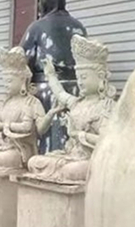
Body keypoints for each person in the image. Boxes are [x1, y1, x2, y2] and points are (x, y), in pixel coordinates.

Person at [27, 35, 116, 183]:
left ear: (100, 76)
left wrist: (77, 134)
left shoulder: (106, 106)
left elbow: (106, 140)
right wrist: (50, 75)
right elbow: (60, 93)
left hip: (90, 159)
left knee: (69, 171)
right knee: (34, 162)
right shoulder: (77, 103)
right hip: (70, 155)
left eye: (84, 77)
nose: (80, 82)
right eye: (78, 77)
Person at [0, 46, 63, 171]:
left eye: (9, 81)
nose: (6, 85)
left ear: (22, 80)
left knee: (2, 158)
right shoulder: (7, 102)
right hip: (6, 146)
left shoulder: (32, 102)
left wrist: (50, 114)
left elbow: (38, 129)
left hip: (21, 149)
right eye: (4, 81)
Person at [20, 0, 87, 153]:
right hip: (78, 89)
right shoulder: (79, 27)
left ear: (44, 5)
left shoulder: (36, 27)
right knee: (73, 138)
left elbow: (22, 60)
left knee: (49, 140)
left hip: (47, 89)